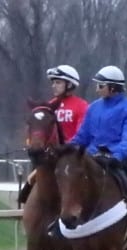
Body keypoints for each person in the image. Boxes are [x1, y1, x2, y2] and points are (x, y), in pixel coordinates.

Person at [68, 65, 127, 231]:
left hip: (120, 159)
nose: (97, 89)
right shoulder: (93, 108)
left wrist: (116, 156)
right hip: (92, 157)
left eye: (100, 86)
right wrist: (65, 148)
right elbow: (82, 136)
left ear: (113, 87)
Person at [18, 64, 89, 205]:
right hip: (50, 155)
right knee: (31, 180)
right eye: (53, 83)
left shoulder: (82, 106)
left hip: (71, 155)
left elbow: (82, 132)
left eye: (58, 82)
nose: (54, 86)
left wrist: (66, 146)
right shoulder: (48, 106)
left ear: (69, 84)